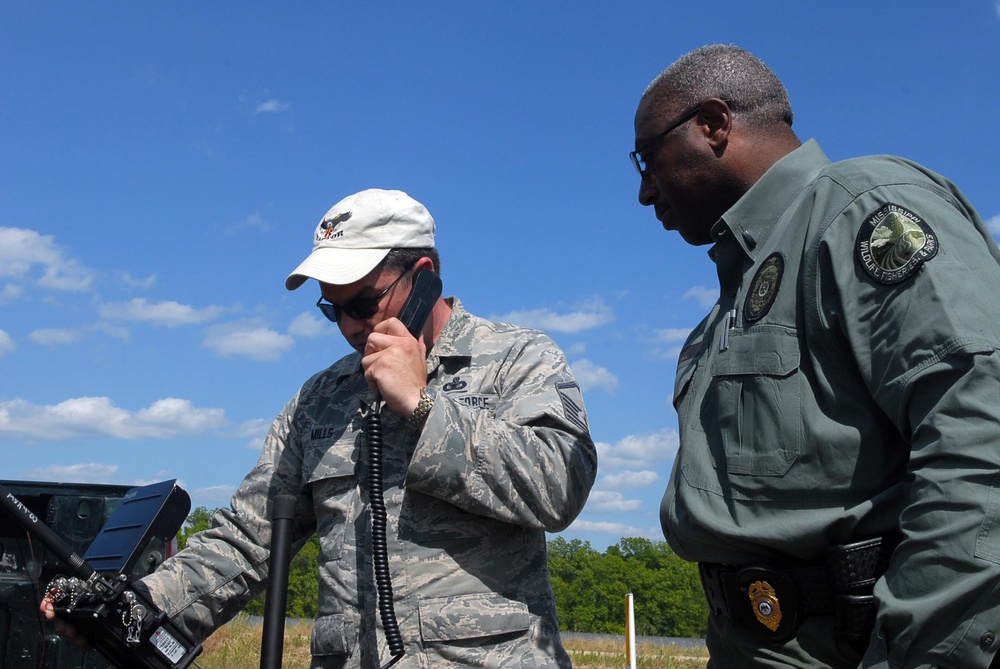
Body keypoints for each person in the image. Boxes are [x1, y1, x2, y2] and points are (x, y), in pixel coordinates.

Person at [44, 188, 598, 668]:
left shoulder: (518, 357)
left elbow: (558, 487)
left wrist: (423, 404)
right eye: (333, 311)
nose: (352, 327)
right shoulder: (321, 398)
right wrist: (138, 605)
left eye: (363, 302)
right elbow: (249, 537)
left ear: (423, 276)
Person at [632, 44, 1000, 668]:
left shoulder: (861, 210)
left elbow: (980, 439)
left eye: (647, 158)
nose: (645, 192)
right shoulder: (726, 307)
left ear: (714, 125)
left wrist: (928, 654)